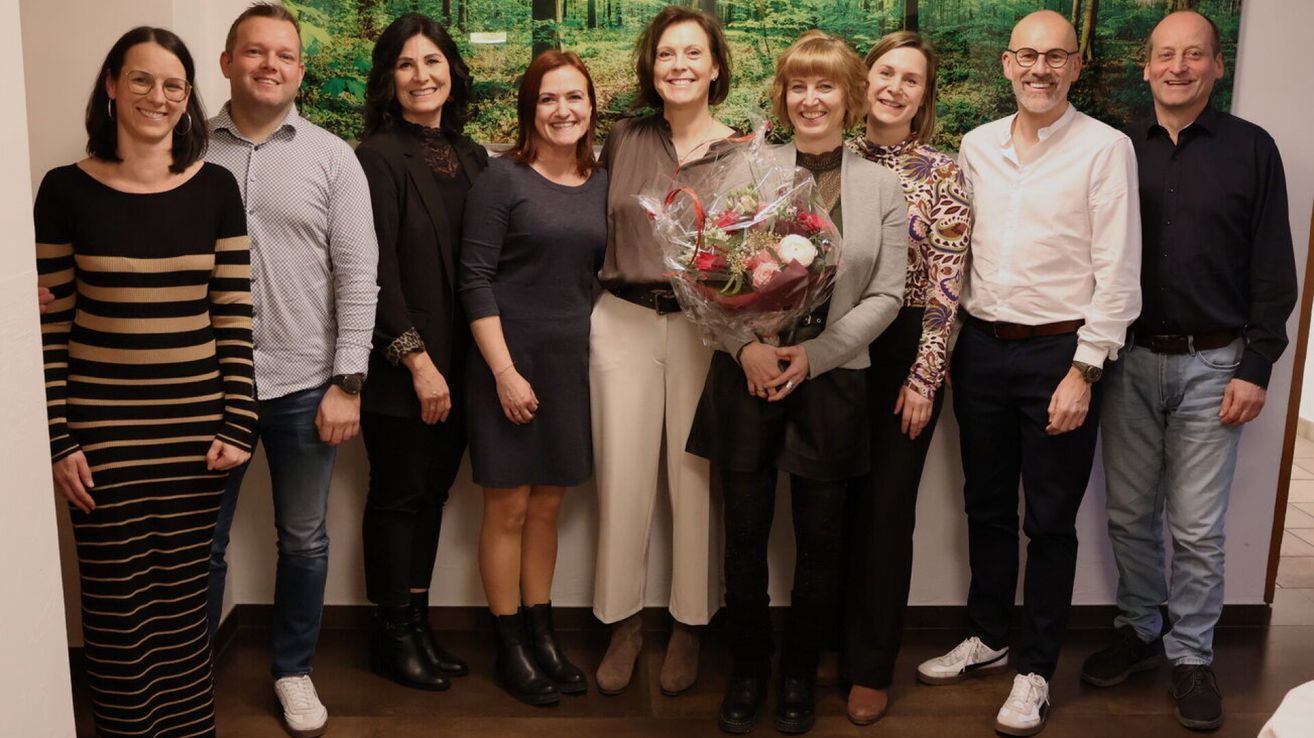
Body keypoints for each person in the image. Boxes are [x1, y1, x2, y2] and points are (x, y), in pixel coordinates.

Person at [914, 10, 1141, 737]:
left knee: (1048, 521)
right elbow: (957, 255)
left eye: (1055, 57)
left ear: (1076, 66)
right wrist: (946, 351)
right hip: (980, 349)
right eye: (1027, 57)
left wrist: (1085, 369)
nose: (1040, 69)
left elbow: (1119, 272)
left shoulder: (1106, 149)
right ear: (1007, 65)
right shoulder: (975, 145)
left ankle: (1036, 667)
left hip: (1059, 354)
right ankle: (988, 635)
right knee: (984, 505)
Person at [685, 30, 907, 735]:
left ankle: (798, 676)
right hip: (747, 374)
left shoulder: (882, 184)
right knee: (744, 537)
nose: (812, 99)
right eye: (799, 87)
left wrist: (818, 355)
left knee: (821, 543)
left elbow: (889, 293)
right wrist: (748, 344)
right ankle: (748, 668)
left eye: (827, 86)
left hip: (832, 382)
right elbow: (710, 272)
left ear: (851, 96)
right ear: (784, 97)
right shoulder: (750, 168)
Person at [36, 26, 255, 737]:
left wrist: (238, 419)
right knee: (116, 605)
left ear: (188, 99)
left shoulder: (217, 189)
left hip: (195, 434)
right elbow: (49, 326)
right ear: (110, 85)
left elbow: (232, 314)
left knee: (183, 601)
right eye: (141, 80)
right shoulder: (64, 191)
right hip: (102, 440)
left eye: (173, 85)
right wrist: (59, 438)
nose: (157, 97)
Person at [1082, 10, 1297, 732]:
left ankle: (1192, 655)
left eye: (1194, 55)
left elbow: (1274, 267)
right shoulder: (1115, 149)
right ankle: (1140, 630)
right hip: (1128, 360)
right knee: (1128, 514)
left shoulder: (1252, 150)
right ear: (1145, 67)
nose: (1178, 66)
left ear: (1217, 66)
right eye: (1165, 55)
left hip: (1216, 364)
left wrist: (1258, 365)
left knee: (1199, 528)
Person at [204, 4, 379, 737]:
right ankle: (187, 670)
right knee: (200, 541)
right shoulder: (185, 149)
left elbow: (357, 270)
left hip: (307, 381)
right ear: (227, 62)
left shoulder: (332, 156)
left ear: (300, 70)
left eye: (284, 54)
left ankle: (293, 670)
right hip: (207, 385)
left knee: (303, 537)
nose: (269, 64)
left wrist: (348, 379)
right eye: (255, 52)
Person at [590, 4, 738, 697]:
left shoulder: (745, 150)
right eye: (665, 55)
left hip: (704, 330)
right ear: (652, 69)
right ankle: (622, 621)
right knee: (621, 474)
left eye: (692, 54)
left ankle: (689, 623)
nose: (678, 66)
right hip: (620, 320)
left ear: (714, 67)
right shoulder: (623, 138)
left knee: (693, 477)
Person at [459, 49, 607, 706]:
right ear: (529, 108)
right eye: (549, 98)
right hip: (507, 360)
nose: (563, 110)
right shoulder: (502, 179)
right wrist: (504, 373)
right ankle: (510, 644)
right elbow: (475, 279)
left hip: (573, 363)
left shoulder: (602, 179)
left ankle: (544, 632)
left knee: (549, 503)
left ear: (591, 107)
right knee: (508, 506)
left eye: (575, 97)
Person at [841, 30, 972, 726]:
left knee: (887, 514)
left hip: (904, 351)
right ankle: (820, 647)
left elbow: (949, 284)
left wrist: (925, 376)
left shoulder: (943, 172)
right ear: (864, 79)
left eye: (910, 80)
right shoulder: (825, 154)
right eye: (885, 72)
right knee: (826, 508)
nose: (894, 86)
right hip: (831, 345)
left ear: (923, 98)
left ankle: (870, 666)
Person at [354, 12, 487, 693]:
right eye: (406, 64)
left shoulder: (469, 156)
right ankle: (390, 635)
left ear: (451, 72)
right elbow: (372, 272)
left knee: (432, 496)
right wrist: (418, 361)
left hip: (465, 366)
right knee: (398, 497)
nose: (421, 75)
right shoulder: (376, 157)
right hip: (404, 369)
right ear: (389, 78)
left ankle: (420, 621)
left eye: (432, 61)